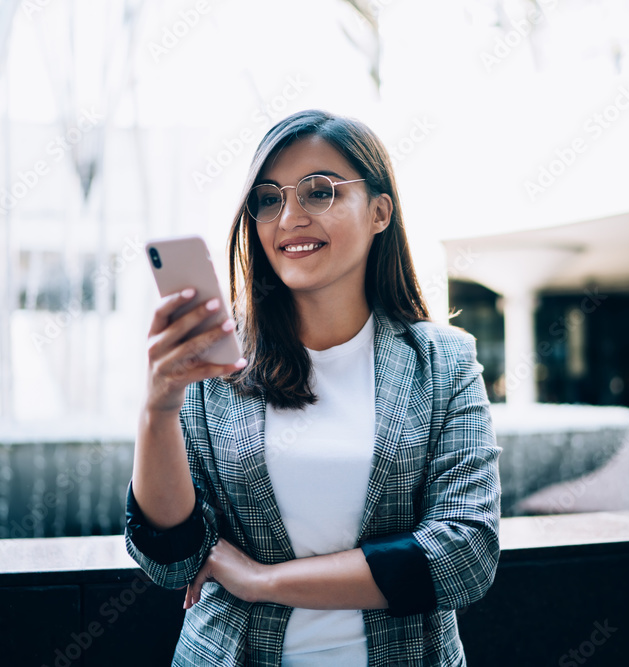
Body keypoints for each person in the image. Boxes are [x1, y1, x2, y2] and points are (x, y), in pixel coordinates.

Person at [125, 109, 501, 666]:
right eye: (270, 199)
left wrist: (263, 581)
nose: (290, 217)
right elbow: (173, 563)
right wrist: (158, 407)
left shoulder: (444, 361)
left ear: (379, 211)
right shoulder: (216, 370)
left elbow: (466, 553)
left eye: (319, 192)